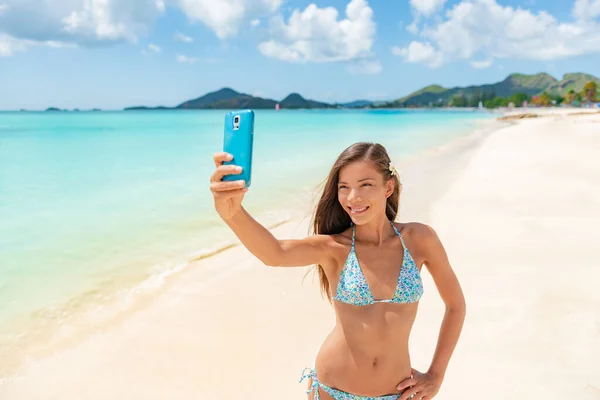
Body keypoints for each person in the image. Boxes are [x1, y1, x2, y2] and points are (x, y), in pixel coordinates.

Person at [209, 142, 466, 400]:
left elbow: (455, 305)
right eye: (344, 187)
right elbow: (275, 252)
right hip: (332, 391)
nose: (353, 197)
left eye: (365, 184)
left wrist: (436, 375)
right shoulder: (334, 248)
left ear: (388, 187)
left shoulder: (419, 239)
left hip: (397, 394)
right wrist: (232, 213)